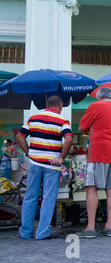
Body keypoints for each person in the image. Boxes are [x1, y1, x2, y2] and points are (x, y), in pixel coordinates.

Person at [16, 95, 73, 240]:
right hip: (52, 165)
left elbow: (20, 136)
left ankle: (26, 232)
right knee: (48, 198)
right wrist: (61, 158)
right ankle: (42, 233)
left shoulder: (33, 118)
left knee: (30, 196)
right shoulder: (62, 121)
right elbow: (69, 138)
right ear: (60, 106)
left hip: (35, 163)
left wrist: (28, 152)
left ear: (47, 104)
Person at [77, 87, 111, 238]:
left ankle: (90, 227)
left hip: (98, 151)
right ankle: (109, 225)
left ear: (98, 97)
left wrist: (88, 131)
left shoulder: (95, 106)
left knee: (92, 187)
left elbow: (81, 128)